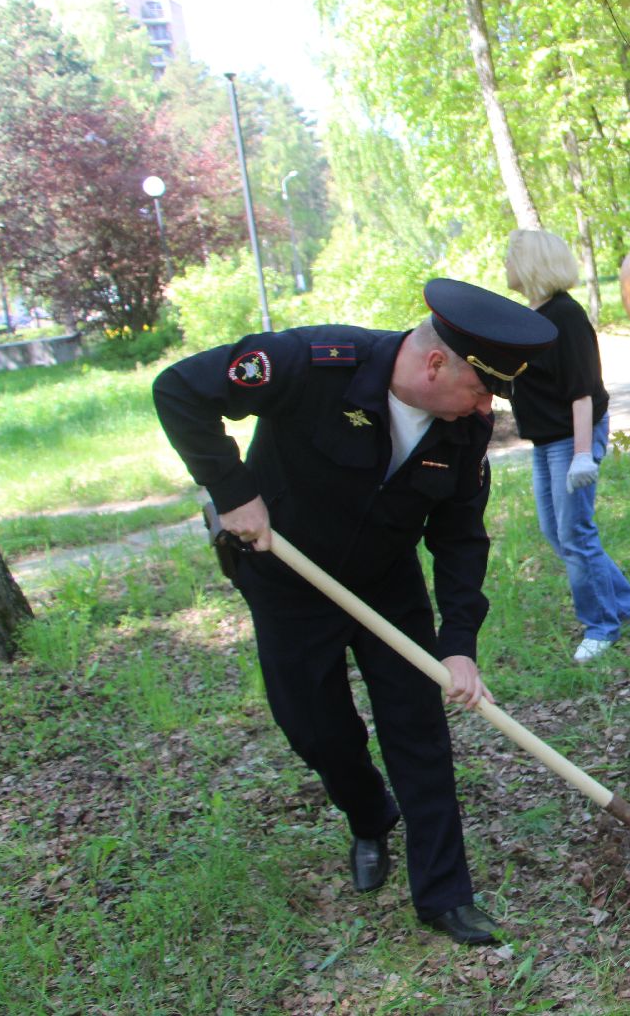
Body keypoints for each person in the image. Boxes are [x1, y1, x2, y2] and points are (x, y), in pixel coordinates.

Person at [152, 279, 557, 942]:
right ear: (434, 365)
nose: (487, 407)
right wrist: (232, 491)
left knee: (417, 732)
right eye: (481, 389)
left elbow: (459, 537)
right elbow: (179, 389)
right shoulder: (312, 364)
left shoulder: (466, 430)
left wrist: (458, 644)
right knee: (316, 730)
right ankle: (370, 816)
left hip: (386, 585)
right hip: (286, 580)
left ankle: (444, 896)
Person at [504, 229, 630, 664]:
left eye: (511, 259)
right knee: (557, 531)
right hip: (547, 440)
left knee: (575, 532)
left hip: (573, 437)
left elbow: (582, 390)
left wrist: (583, 454)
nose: (506, 267)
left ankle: (602, 626)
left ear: (530, 264)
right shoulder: (531, 315)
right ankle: (628, 606)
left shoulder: (565, 316)